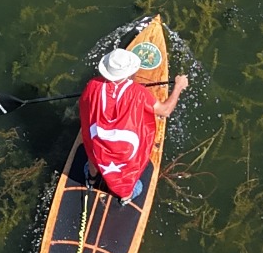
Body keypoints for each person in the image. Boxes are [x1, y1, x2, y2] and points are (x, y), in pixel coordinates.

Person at [78, 46, 188, 203]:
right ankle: (125, 197)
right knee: (132, 182)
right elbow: (165, 111)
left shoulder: (93, 85)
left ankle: (91, 179)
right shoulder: (138, 92)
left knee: (93, 151)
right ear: (129, 72)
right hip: (124, 152)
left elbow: (84, 106)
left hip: (99, 144)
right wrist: (178, 87)